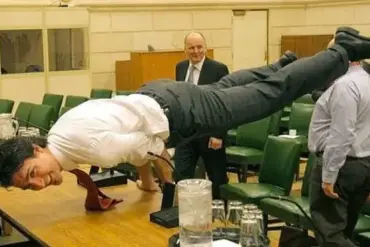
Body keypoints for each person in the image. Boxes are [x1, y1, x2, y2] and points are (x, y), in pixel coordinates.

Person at [0, 26, 369, 192]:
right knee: (230, 86)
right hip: (159, 95)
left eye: (32, 172)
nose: (38, 182)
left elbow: (149, 151)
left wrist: (155, 175)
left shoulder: (89, 149)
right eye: (27, 186)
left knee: (269, 96)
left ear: (35, 150)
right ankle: (282, 63)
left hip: (180, 112)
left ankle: (342, 50)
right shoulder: (63, 132)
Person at [308, 58, 370, 246]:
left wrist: (329, 175)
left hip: (342, 166)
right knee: (344, 233)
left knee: (331, 236)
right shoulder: (366, 81)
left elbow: (341, 134)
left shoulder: (346, 85)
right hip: (362, 165)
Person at [174, 32, 229, 199]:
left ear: (205, 47)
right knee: (182, 175)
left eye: (199, 47)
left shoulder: (218, 69)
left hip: (210, 133)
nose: (196, 51)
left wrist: (218, 134)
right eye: (191, 47)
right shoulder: (180, 67)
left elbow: (224, 103)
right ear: (185, 49)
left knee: (217, 177)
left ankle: (220, 212)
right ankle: (186, 209)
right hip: (186, 134)